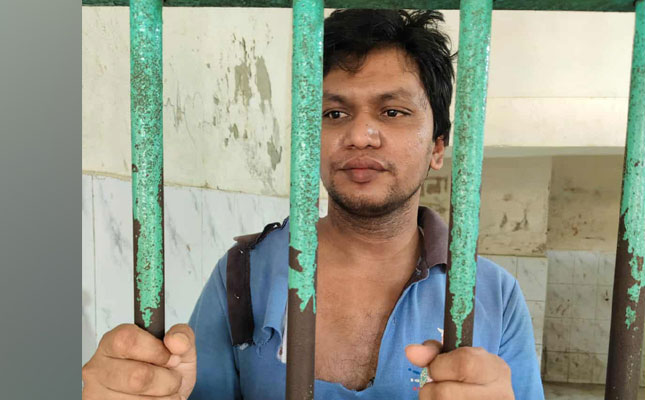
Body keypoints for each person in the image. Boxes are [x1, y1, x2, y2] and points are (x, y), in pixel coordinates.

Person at [81, 9, 544, 399]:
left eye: (393, 112)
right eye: (334, 113)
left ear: (438, 146)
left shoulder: (492, 296)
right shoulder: (245, 273)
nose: (360, 135)